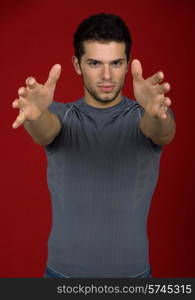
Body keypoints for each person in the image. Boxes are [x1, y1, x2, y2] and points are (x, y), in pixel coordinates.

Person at [12, 13, 176, 278]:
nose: (107, 75)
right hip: (61, 277)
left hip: (134, 278)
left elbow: (162, 132)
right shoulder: (61, 116)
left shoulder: (149, 113)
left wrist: (158, 115)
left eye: (116, 63)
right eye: (94, 63)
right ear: (77, 65)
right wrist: (35, 116)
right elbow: (45, 131)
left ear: (127, 65)